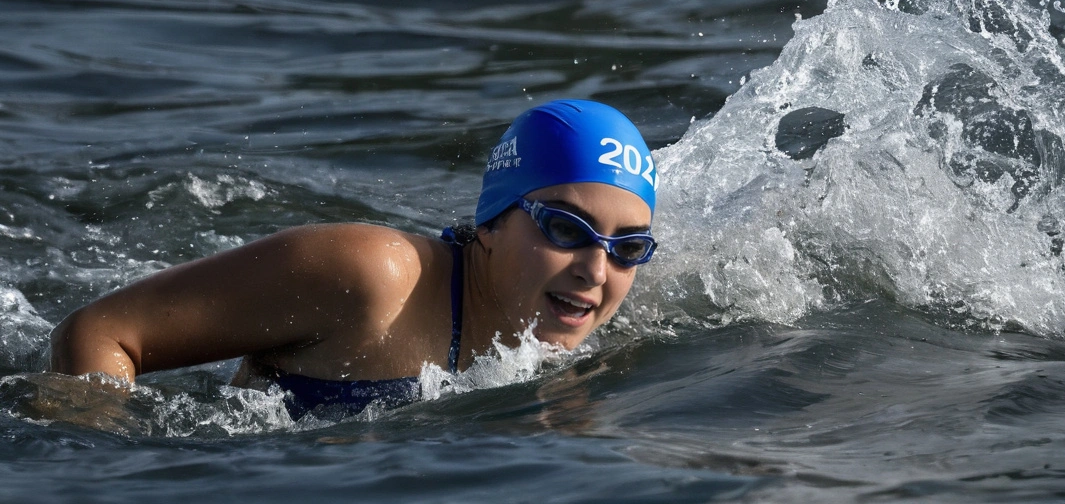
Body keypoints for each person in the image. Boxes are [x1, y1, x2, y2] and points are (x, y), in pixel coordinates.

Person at [49, 99, 659, 419]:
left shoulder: (595, 366)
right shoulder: (372, 278)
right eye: (564, 227)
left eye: (628, 248)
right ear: (493, 224)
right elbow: (102, 332)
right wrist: (101, 456)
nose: (595, 271)